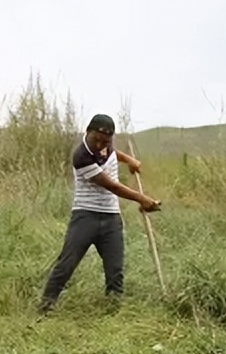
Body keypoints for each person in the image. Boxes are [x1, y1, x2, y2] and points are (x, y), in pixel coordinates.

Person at [39, 113, 161, 314]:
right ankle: (45, 307)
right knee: (66, 264)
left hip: (111, 218)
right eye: (96, 139)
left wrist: (129, 160)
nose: (100, 145)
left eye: (105, 141)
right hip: (85, 216)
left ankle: (113, 311)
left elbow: (112, 153)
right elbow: (112, 186)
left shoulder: (105, 144)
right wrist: (143, 199)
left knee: (115, 271)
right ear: (87, 132)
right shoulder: (81, 156)